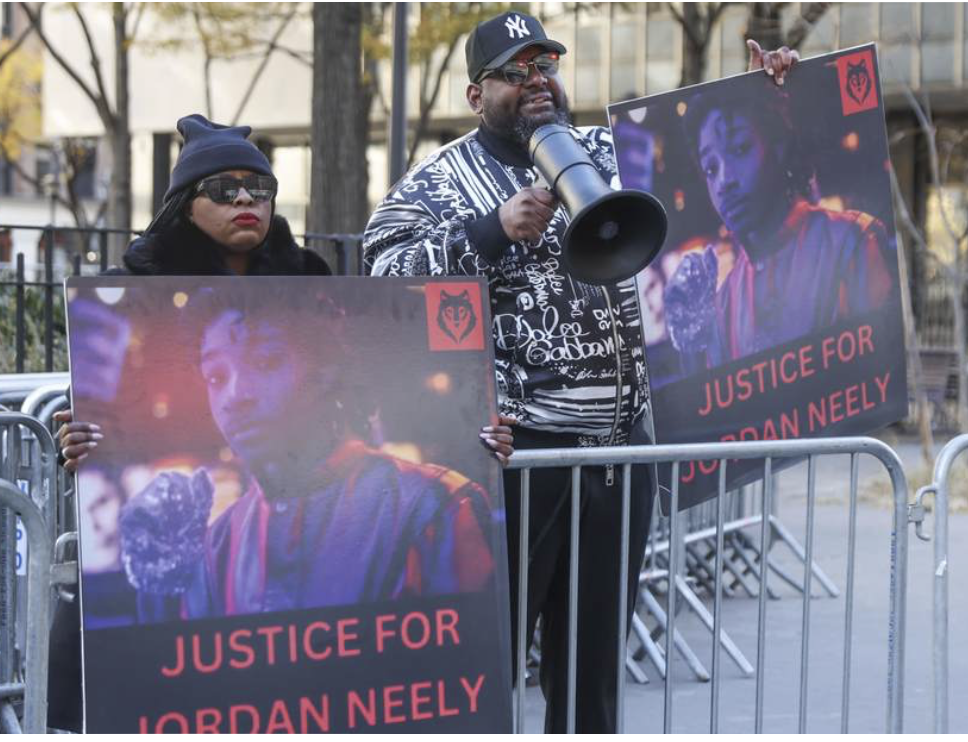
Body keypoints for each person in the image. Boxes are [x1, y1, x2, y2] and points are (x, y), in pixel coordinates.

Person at [363, 11, 797, 732]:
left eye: (545, 67)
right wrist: (489, 231)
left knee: (592, 671)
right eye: (514, 72)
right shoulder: (438, 182)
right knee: (489, 666)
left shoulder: (609, 150)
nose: (536, 83)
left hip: (619, 457)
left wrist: (766, 93)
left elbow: (701, 171)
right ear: (476, 95)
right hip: (515, 463)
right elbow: (385, 273)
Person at [51, 114, 514, 729]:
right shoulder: (219, 543)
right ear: (184, 205)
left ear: (322, 364)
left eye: (259, 188)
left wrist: (479, 437)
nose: (244, 199)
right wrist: (74, 438)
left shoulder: (432, 508)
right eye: (222, 188)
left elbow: (454, 675)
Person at [110, 284, 499, 623]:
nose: (235, 396)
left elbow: (465, 674)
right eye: (216, 376)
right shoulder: (219, 545)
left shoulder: (435, 507)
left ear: (327, 370)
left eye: (266, 361)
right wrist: (159, 585)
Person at [664, 76, 893, 368]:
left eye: (740, 149)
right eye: (710, 168)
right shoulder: (725, 302)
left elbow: (882, 376)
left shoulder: (854, 241)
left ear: (779, 146)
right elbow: (717, 408)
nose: (724, 181)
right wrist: (692, 346)